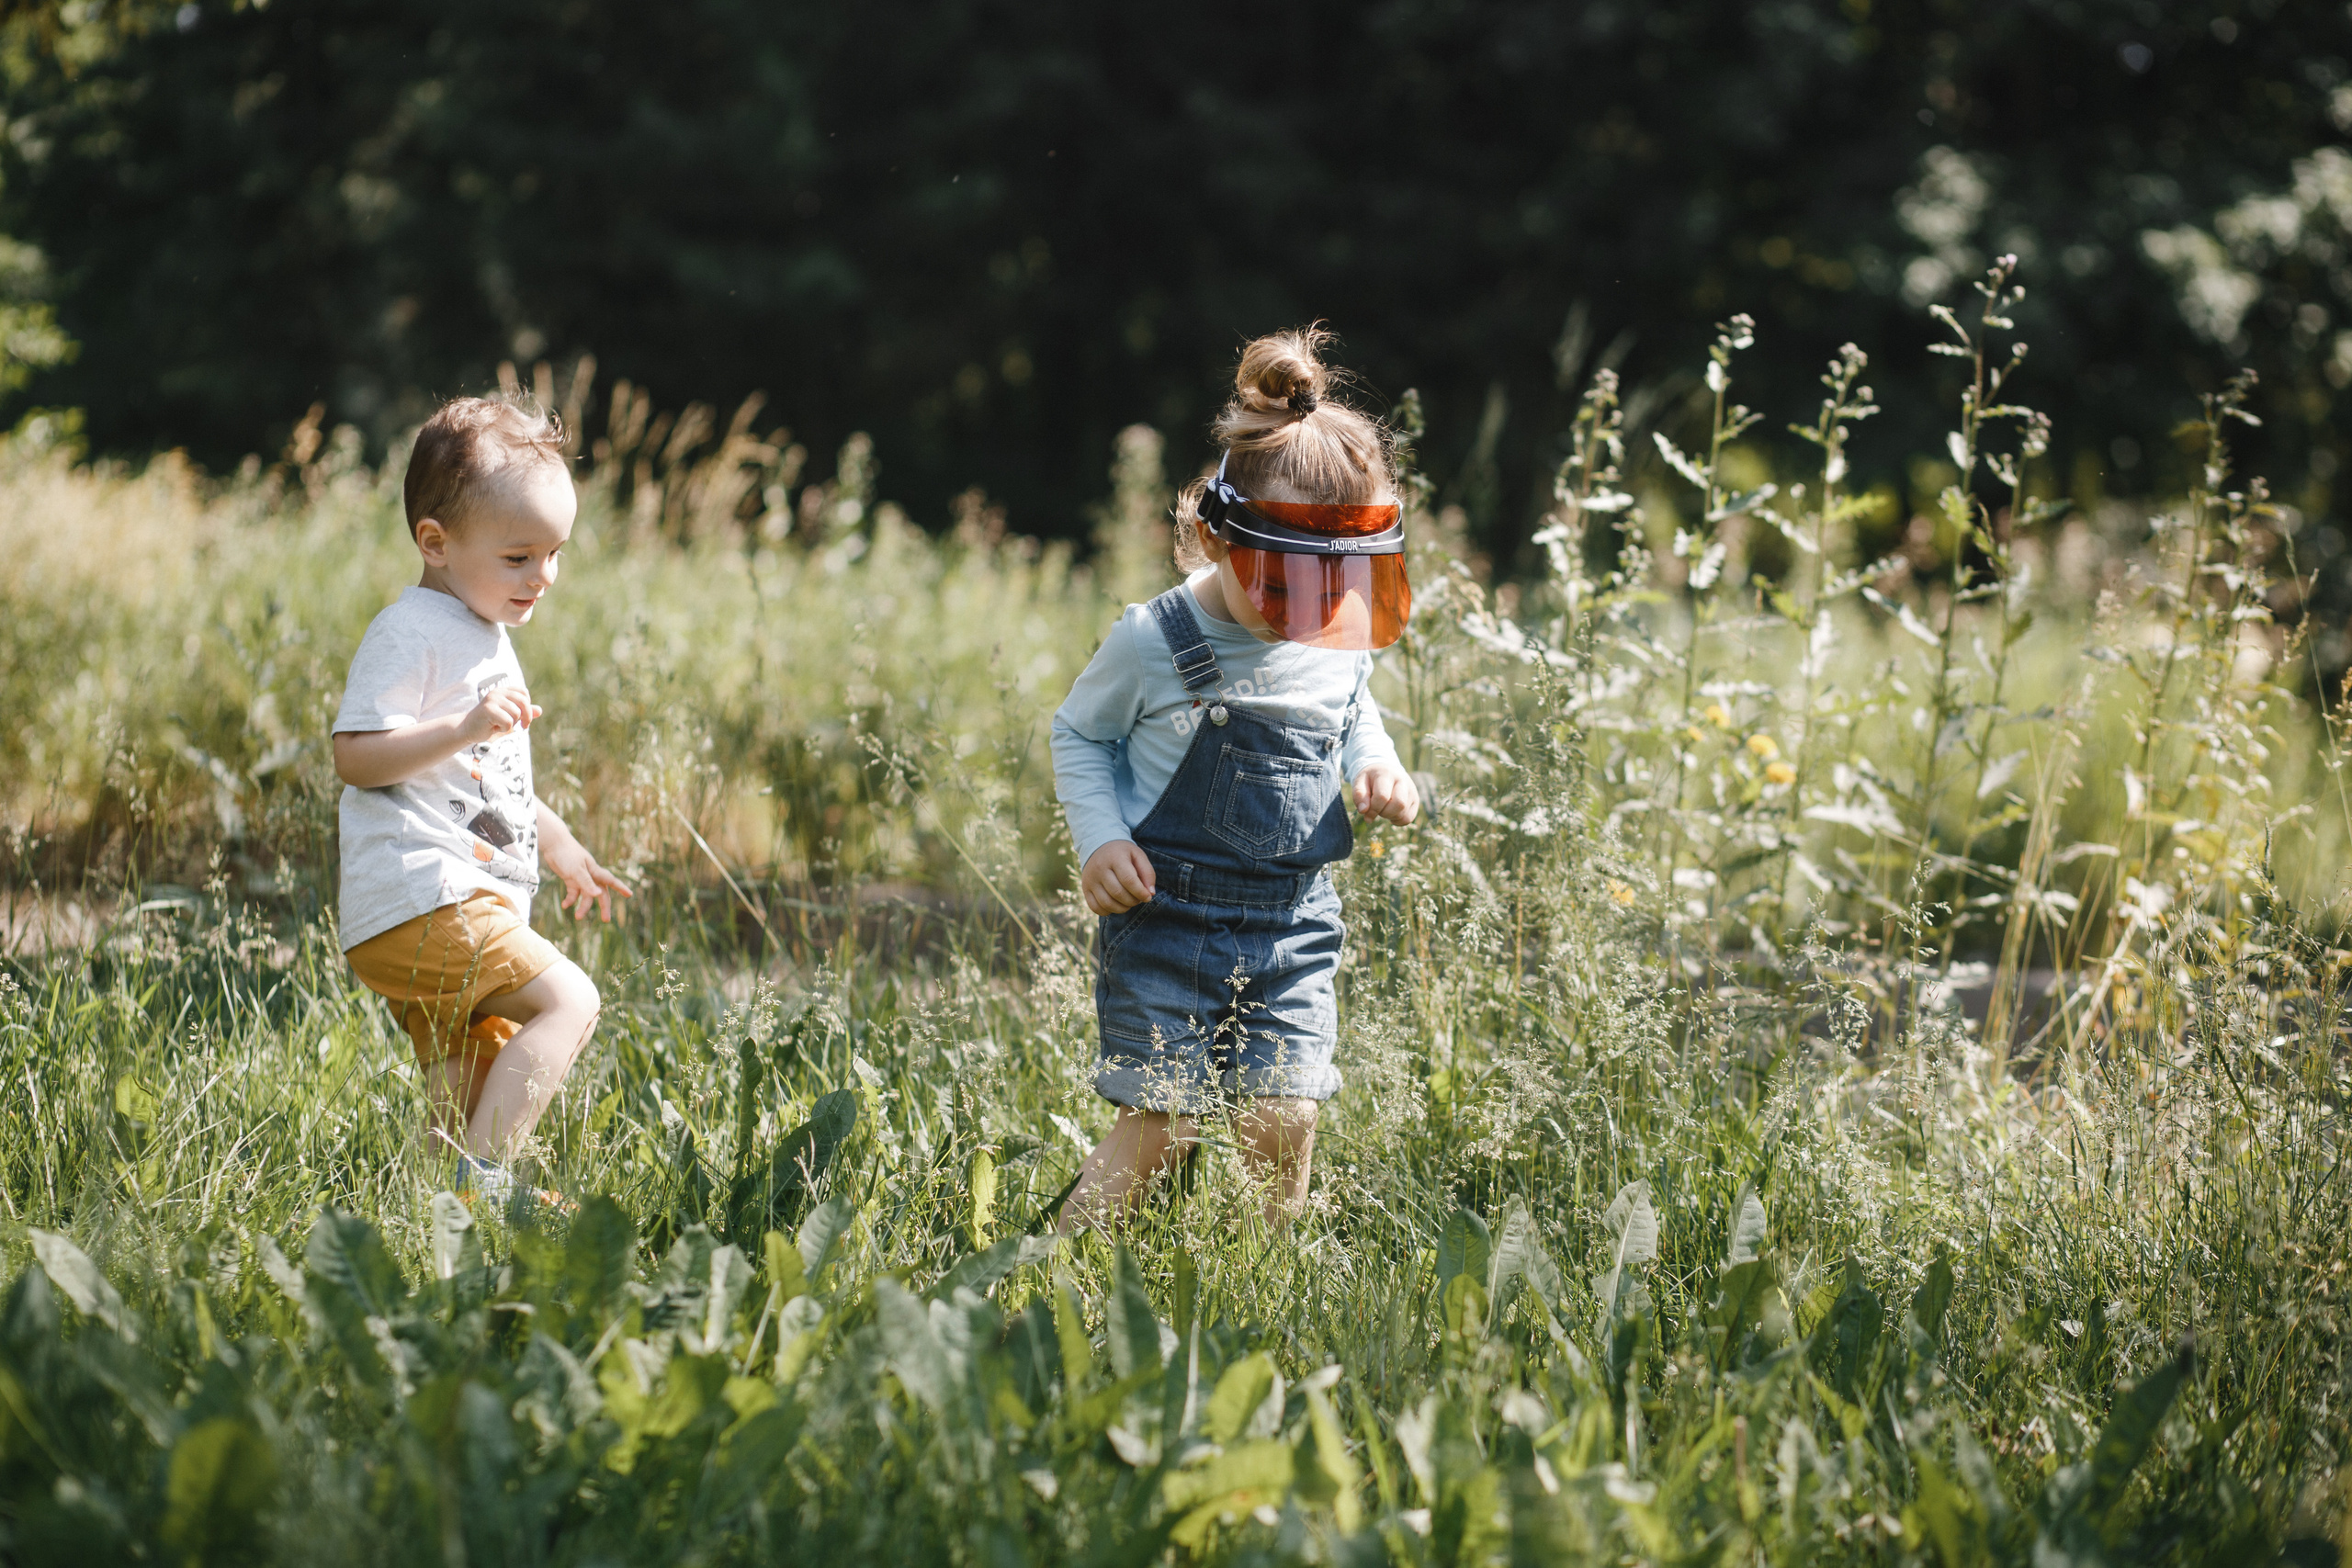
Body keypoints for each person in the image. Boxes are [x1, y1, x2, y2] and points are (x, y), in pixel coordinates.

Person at [1052, 327, 1420, 1234]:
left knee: (1284, 1114)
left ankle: (1265, 1270)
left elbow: (1353, 709)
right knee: (1164, 1123)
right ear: (1218, 537)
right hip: (1165, 920)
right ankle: (1055, 1265)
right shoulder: (1154, 640)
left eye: (1334, 589)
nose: (1309, 614)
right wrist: (1100, 840)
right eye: (1284, 588)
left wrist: (1376, 764)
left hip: (1291, 924)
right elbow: (1079, 733)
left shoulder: (1329, 633)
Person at [331, 397, 631, 1205]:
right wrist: (462, 726)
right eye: (519, 556)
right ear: (436, 543)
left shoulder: (478, 630)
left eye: (555, 553)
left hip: (440, 902)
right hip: (425, 896)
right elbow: (355, 757)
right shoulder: (411, 630)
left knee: (470, 1066)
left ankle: (446, 1206)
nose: (543, 576)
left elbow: (483, 783)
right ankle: (489, 1178)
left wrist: (559, 845)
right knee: (571, 999)